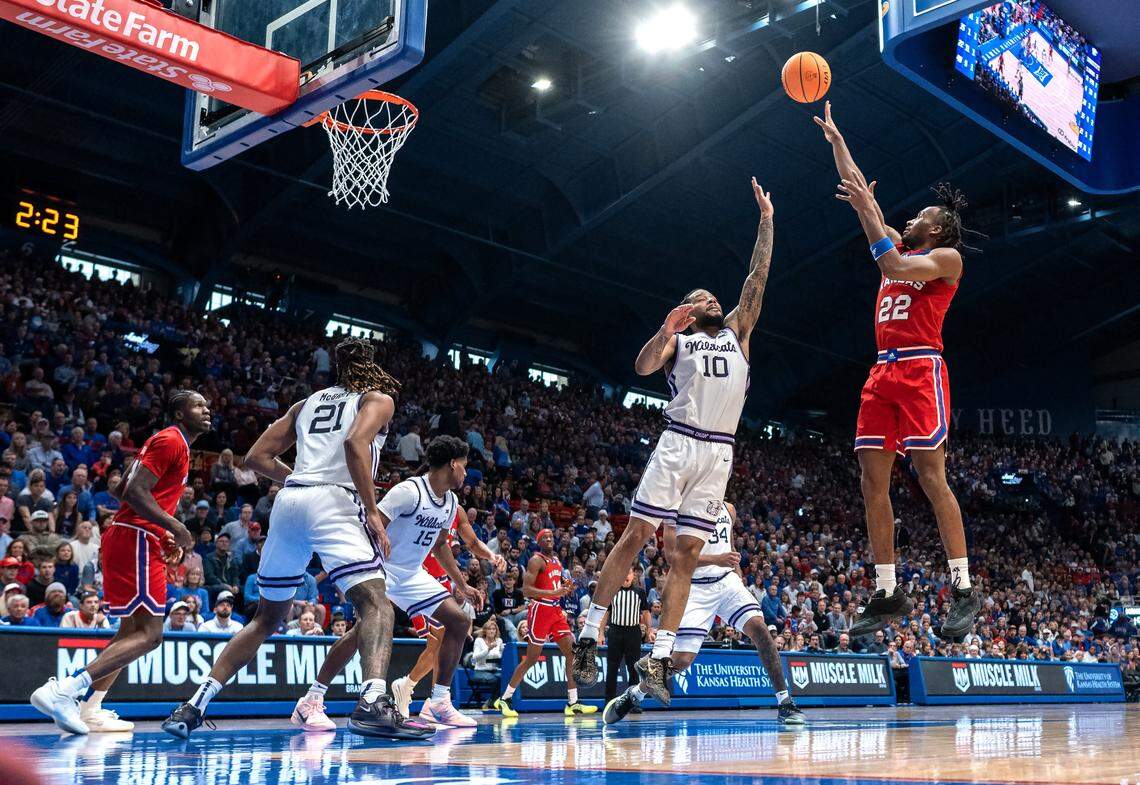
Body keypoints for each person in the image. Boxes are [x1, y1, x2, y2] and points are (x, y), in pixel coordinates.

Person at [161, 338, 431, 741]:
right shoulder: (379, 398)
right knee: (376, 603)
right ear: (372, 365)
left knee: (266, 618)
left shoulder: (308, 403)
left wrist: (300, 482)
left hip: (290, 502)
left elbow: (255, 458)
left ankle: (192, 706)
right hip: (336, 501)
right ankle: (374, 701)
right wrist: (372, 511)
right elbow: (356, 443)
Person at [572, 179, 776, 703]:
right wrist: (664, 331)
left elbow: (756, 278)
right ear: (687, 311)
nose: (713, 298)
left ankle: (661, 656)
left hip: (720, 453)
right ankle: (588, 633)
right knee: (637, 536)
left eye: (714, 296)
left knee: (685, 555)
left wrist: (766, 221)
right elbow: (640, 366)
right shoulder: (679, 340)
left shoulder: (738, 332)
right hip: (679, 441)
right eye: (700, 297)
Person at [813, 102, 981, 640]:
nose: (909, 220)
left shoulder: (946, 259)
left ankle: (963, 588)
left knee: (932, 478)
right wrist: (839, 144)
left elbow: (890, 263)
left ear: (937, 229)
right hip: (881, 374)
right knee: (870, 483)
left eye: (918, 219)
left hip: (920, 370)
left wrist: (871, 216)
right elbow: (861, 189)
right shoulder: (900, 241)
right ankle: (886, 592)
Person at [29, 390, 210, 735]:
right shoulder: (172, 440)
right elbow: (133, 493)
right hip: (136, 539)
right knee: (150, 635)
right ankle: (63, 690)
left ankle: (90, 708)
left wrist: (163, 531)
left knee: (129, 632)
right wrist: (175, 526)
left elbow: (120, 488)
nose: (207, 410)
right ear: (179, 413)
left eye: (208, 406)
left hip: (135, 536)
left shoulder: (168, 442)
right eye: (199, 405)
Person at [289, 436, 483, 731]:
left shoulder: (452, 501)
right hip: (381, 569)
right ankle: (310, 701)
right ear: (453, 464)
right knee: (359, 637)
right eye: (464, 467)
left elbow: (441, 546)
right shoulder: (409, 491)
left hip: (411, 573)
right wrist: (360, 573)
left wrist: (462, 586)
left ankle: (440, 702)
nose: (466, 474)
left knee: (457, 621)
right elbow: (371, 525)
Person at [603, 502, 805, 725]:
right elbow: (671, 557)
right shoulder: (677, 510)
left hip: (726, 581)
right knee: (682, 660)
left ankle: (785, 702)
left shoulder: (729, 509)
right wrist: (716, 560)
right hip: (694, 586)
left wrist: (736, 573)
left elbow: (728, 548)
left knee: (760, 629)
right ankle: (635, 694)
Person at [388, 505, 506, 720]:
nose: (462, 472)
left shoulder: (457, 510)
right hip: (416, 579)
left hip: (441, 581)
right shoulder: (422, 503)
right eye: (461, 468)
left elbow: (472, 542)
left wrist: (491, 555)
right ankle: (420, 694)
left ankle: (421, 695)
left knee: (439, 643)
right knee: (439, 640)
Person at [495, 528, 598, 717]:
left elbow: (553, 586)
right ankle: (505, 699)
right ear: (539, 542)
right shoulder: (536, 560)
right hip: (540, 610)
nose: (550, 539)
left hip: (555, 610)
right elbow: (526, 590)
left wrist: (565, 588)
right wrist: (553, 593)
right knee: (532, 658)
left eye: (551, 537)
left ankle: (572, 703)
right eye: (545, 538)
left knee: (572, 653)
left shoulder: (557, 560)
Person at [601, 568, 651, 703]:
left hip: (633, 633)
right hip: (615, 631)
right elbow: (606, 612)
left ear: (633, 575)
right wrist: (600, 633)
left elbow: (646, 612)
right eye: (623, 573)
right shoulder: (613, 591)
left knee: (633, 668)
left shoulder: (640, 592)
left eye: (628, 573)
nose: (625, 576)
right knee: (612, 667)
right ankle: (609, 702)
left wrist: (649, 631)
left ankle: (632, 702)